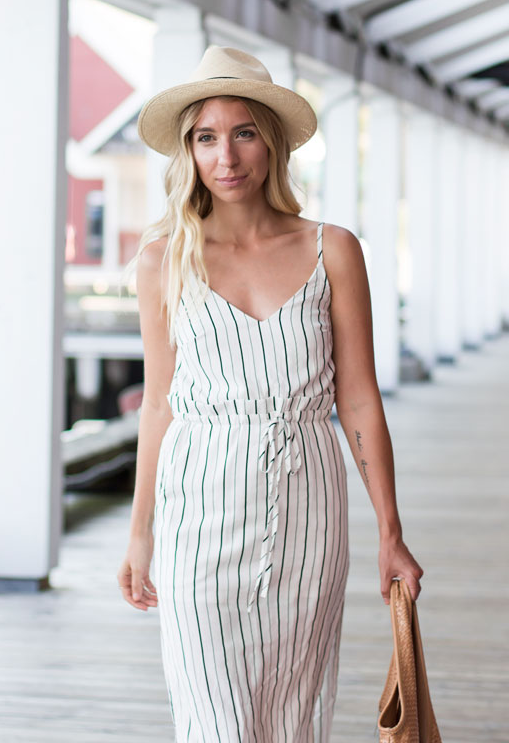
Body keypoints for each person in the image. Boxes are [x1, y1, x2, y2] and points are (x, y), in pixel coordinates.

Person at [117, 45, 423, 742]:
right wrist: (141, 535)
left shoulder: (332, 250)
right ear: (189, 152)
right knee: (213, 721)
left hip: (308, 512)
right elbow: (159, 403)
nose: (226, 157)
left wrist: (391, 534)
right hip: (198, 513)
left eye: (244, 133)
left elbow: (359, 400)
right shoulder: (163, 258)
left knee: (291, 717)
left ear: (274, 144)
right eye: (206, 138)